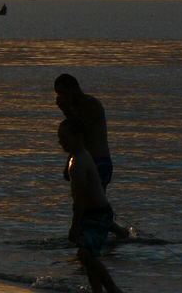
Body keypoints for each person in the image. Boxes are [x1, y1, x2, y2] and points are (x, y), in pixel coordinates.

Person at [55, 73, 130, 238]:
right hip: (86, 161)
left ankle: (94, 238)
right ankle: (118, 234)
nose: (61, 98)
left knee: (94, 205)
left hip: (100, 162)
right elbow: (77, 141)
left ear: (73, 89)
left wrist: (66, 109)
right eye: (58, 95)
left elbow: (80, 129)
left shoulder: (91, 105)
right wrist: (69, 164)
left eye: (63, 93)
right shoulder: (75, 109)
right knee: (91, 205)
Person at [57, 118, 125, 293]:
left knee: (86, 255)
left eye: (65, 138)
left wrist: (75, 225)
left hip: (98, 214)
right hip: (91, 214)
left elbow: (78, 199)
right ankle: (98, 290)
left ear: (79, 138)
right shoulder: (76, 157)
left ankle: (112, 289)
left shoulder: (79, 161)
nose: (61, 142)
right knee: (87, 256)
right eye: (59, 138)